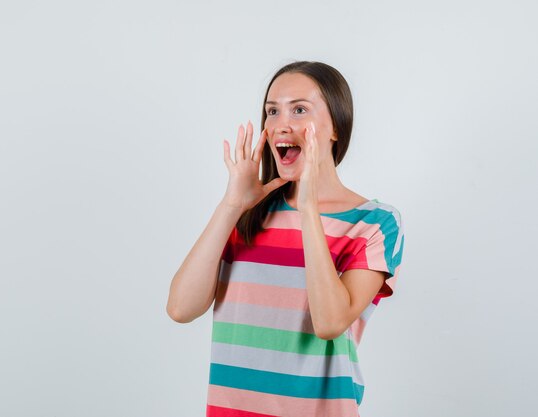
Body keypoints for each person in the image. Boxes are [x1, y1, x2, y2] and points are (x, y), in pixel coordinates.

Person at [166, 61, 405, 417]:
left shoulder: (374, 223)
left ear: (336, 127)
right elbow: (180, 309)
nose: (281, 123)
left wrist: (308, 208)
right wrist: (231, 205)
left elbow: (329, 323)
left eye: (299, 109)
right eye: (272, 111)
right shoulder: (248, 213)